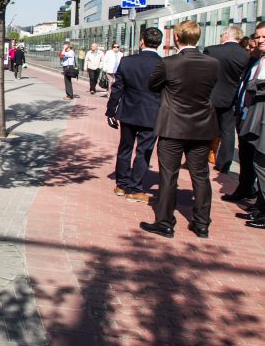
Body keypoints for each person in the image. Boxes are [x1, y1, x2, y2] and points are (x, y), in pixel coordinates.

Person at [140, 20, 220, 239]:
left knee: (168, 175)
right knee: (201, 175)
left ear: (176, 38)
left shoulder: (169, 63)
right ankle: (202, 223)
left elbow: (152, 85)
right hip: (202, 126)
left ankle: (165, 222)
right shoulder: (213, 63)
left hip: (172, 126)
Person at [106, 27, 163, 203]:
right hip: (151, 114)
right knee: (143, 151)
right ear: (159, 44)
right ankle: (135, 188)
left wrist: (111, 110)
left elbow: (117, 88)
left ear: (142, 41)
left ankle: (121, 184)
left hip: (128, 111)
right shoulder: (163, 64)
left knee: (125, 148)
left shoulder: (127, 61)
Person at [203, 25, 250, 173]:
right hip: (230, 97)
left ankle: (199, 159)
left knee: (203, 128)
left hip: (209, 96)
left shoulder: (212, 50)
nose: (221, 37)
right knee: (228, 132)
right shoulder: (245, 55)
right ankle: (224, 164)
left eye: (222, 35)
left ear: (227, 35)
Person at [233, 23, 265, 228]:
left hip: (262, 119)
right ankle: (261, 209)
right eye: (258, 37)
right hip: (252, 116)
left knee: (261, 164)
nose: (260, 40)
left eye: (264, 37)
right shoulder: (258, 60)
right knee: (256, 162)